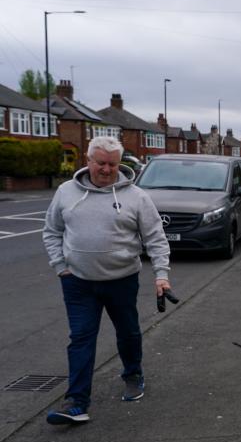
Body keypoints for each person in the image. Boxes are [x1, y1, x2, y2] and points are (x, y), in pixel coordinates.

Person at [42, 136, 172, 425]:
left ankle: (133, 373)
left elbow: (155, 238)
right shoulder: (66, 192)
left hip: (121, 280)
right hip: (77, 281)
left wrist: (161, 275)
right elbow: (52, 231)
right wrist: (60, 265)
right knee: (81, 338)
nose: (106, 169)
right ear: (87, 161)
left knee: (127, 332)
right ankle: (76, 401)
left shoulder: (136, 197)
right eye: (100, 163)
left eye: (112, 164)